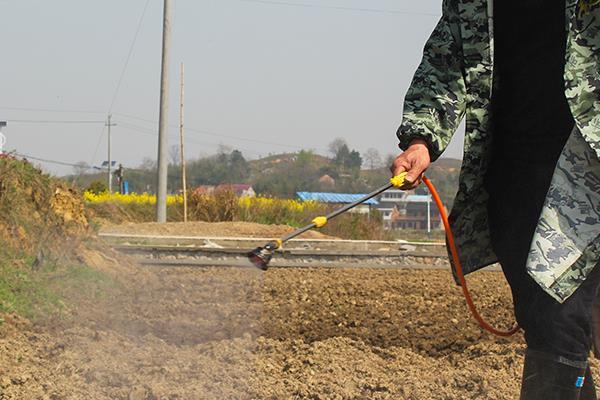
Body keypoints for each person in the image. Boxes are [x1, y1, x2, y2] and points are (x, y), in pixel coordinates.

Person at [390, 1, 600, 399]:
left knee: (560, 316)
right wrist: (422, 139)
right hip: (512, 168)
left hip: (586, 167)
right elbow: (446, 62)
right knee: (542, 319)